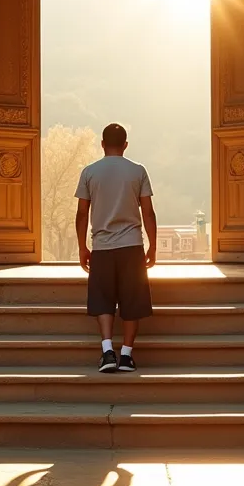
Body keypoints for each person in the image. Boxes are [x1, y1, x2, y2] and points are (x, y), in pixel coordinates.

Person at [74, 123, 157, 373]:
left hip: (102, 247)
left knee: (102, 300)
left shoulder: (89, 172)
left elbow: (81, 213)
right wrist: (152, 246)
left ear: (102, 144)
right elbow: (149, 212)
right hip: (132, 245)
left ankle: (108, 351)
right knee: (132, 302)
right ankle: (127, 356)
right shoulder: (137, 171)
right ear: (125, 145)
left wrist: (82, 247)